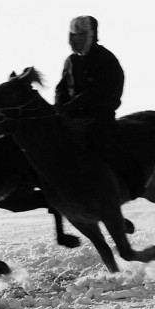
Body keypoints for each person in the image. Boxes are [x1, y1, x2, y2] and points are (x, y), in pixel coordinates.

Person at [55, 16, 142, 187]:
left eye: (80, 35)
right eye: (73, 35)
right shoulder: (71, 61)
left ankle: (133, 181)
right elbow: (62, 87)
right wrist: (59, 106)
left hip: (98, 115)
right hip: (71, 115)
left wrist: (72, 106)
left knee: (100, 138)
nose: (75, 39)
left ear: (90, 35)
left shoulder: (106, 59)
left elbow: (100, 92)